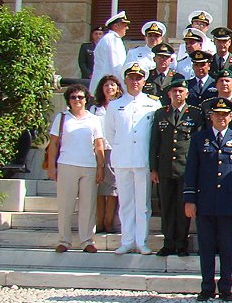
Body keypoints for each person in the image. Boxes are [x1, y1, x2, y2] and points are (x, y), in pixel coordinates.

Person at [183, 97, 232, 301]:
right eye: (217, 114)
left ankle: (226, 287)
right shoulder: (199, 139)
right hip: (205, 202)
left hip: (229, 204)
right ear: (210, 116)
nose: (221, 118)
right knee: (206, 247)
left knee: (227, 248)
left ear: (231, 117)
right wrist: (189, 199)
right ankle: (206, 287)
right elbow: (191, 171)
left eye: (225, 114)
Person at [102, 62, 160, 255]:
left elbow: (155, 134)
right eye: (131, 78)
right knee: (125, 202)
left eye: (139, 78)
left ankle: (141, 241)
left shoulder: (153, 103)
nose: (135, 81)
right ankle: (127, 240)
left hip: (143, 160)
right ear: (125, 80)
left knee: (142, 204)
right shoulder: (115, 105)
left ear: (144, 81)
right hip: (122, 158)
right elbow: (109, 133)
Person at [149, 76, 204, 256]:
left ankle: (182, 243)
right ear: (169, 93)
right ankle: (168, 242)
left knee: (183, 208)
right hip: (165, 168)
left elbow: (198, 145)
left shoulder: (195, 114)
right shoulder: (161, 113)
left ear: (187, 93)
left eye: (181, 91)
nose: (178, 94)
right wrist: (154, 168)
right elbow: (154, 143)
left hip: (185, 169)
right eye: (175, 91)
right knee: (166, 207)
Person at [47, 85, 105, 253]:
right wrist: (52, 166)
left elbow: (98, 144)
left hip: (89, 166)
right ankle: (64, 240)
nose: (77, 100)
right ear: (68, 100)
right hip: (67, 164)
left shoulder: (93, 119)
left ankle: (87, 241)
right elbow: (54, 144)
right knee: (66, 205)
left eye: (80, 97)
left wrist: (100, 166)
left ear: (86, 99)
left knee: (88, 205)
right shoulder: (62, 118)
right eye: (73, 97)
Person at [89, 74, 122, 232]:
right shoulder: (95, 109)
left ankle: (109, 222)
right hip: (98, 150)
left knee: (112, 189)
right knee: (100, 188)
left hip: (115, 150)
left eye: (113, 85)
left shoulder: (121, 106)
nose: (109, 88)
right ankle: (99, 222)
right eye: (106, 85)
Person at [89, 11, 129, 94]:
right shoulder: (114, 39)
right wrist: (122, 87)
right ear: (116, 26)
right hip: (108, 88)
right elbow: (117, 65)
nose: (127, 28)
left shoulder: (107, 38)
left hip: (103, 85)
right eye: (124, 25)